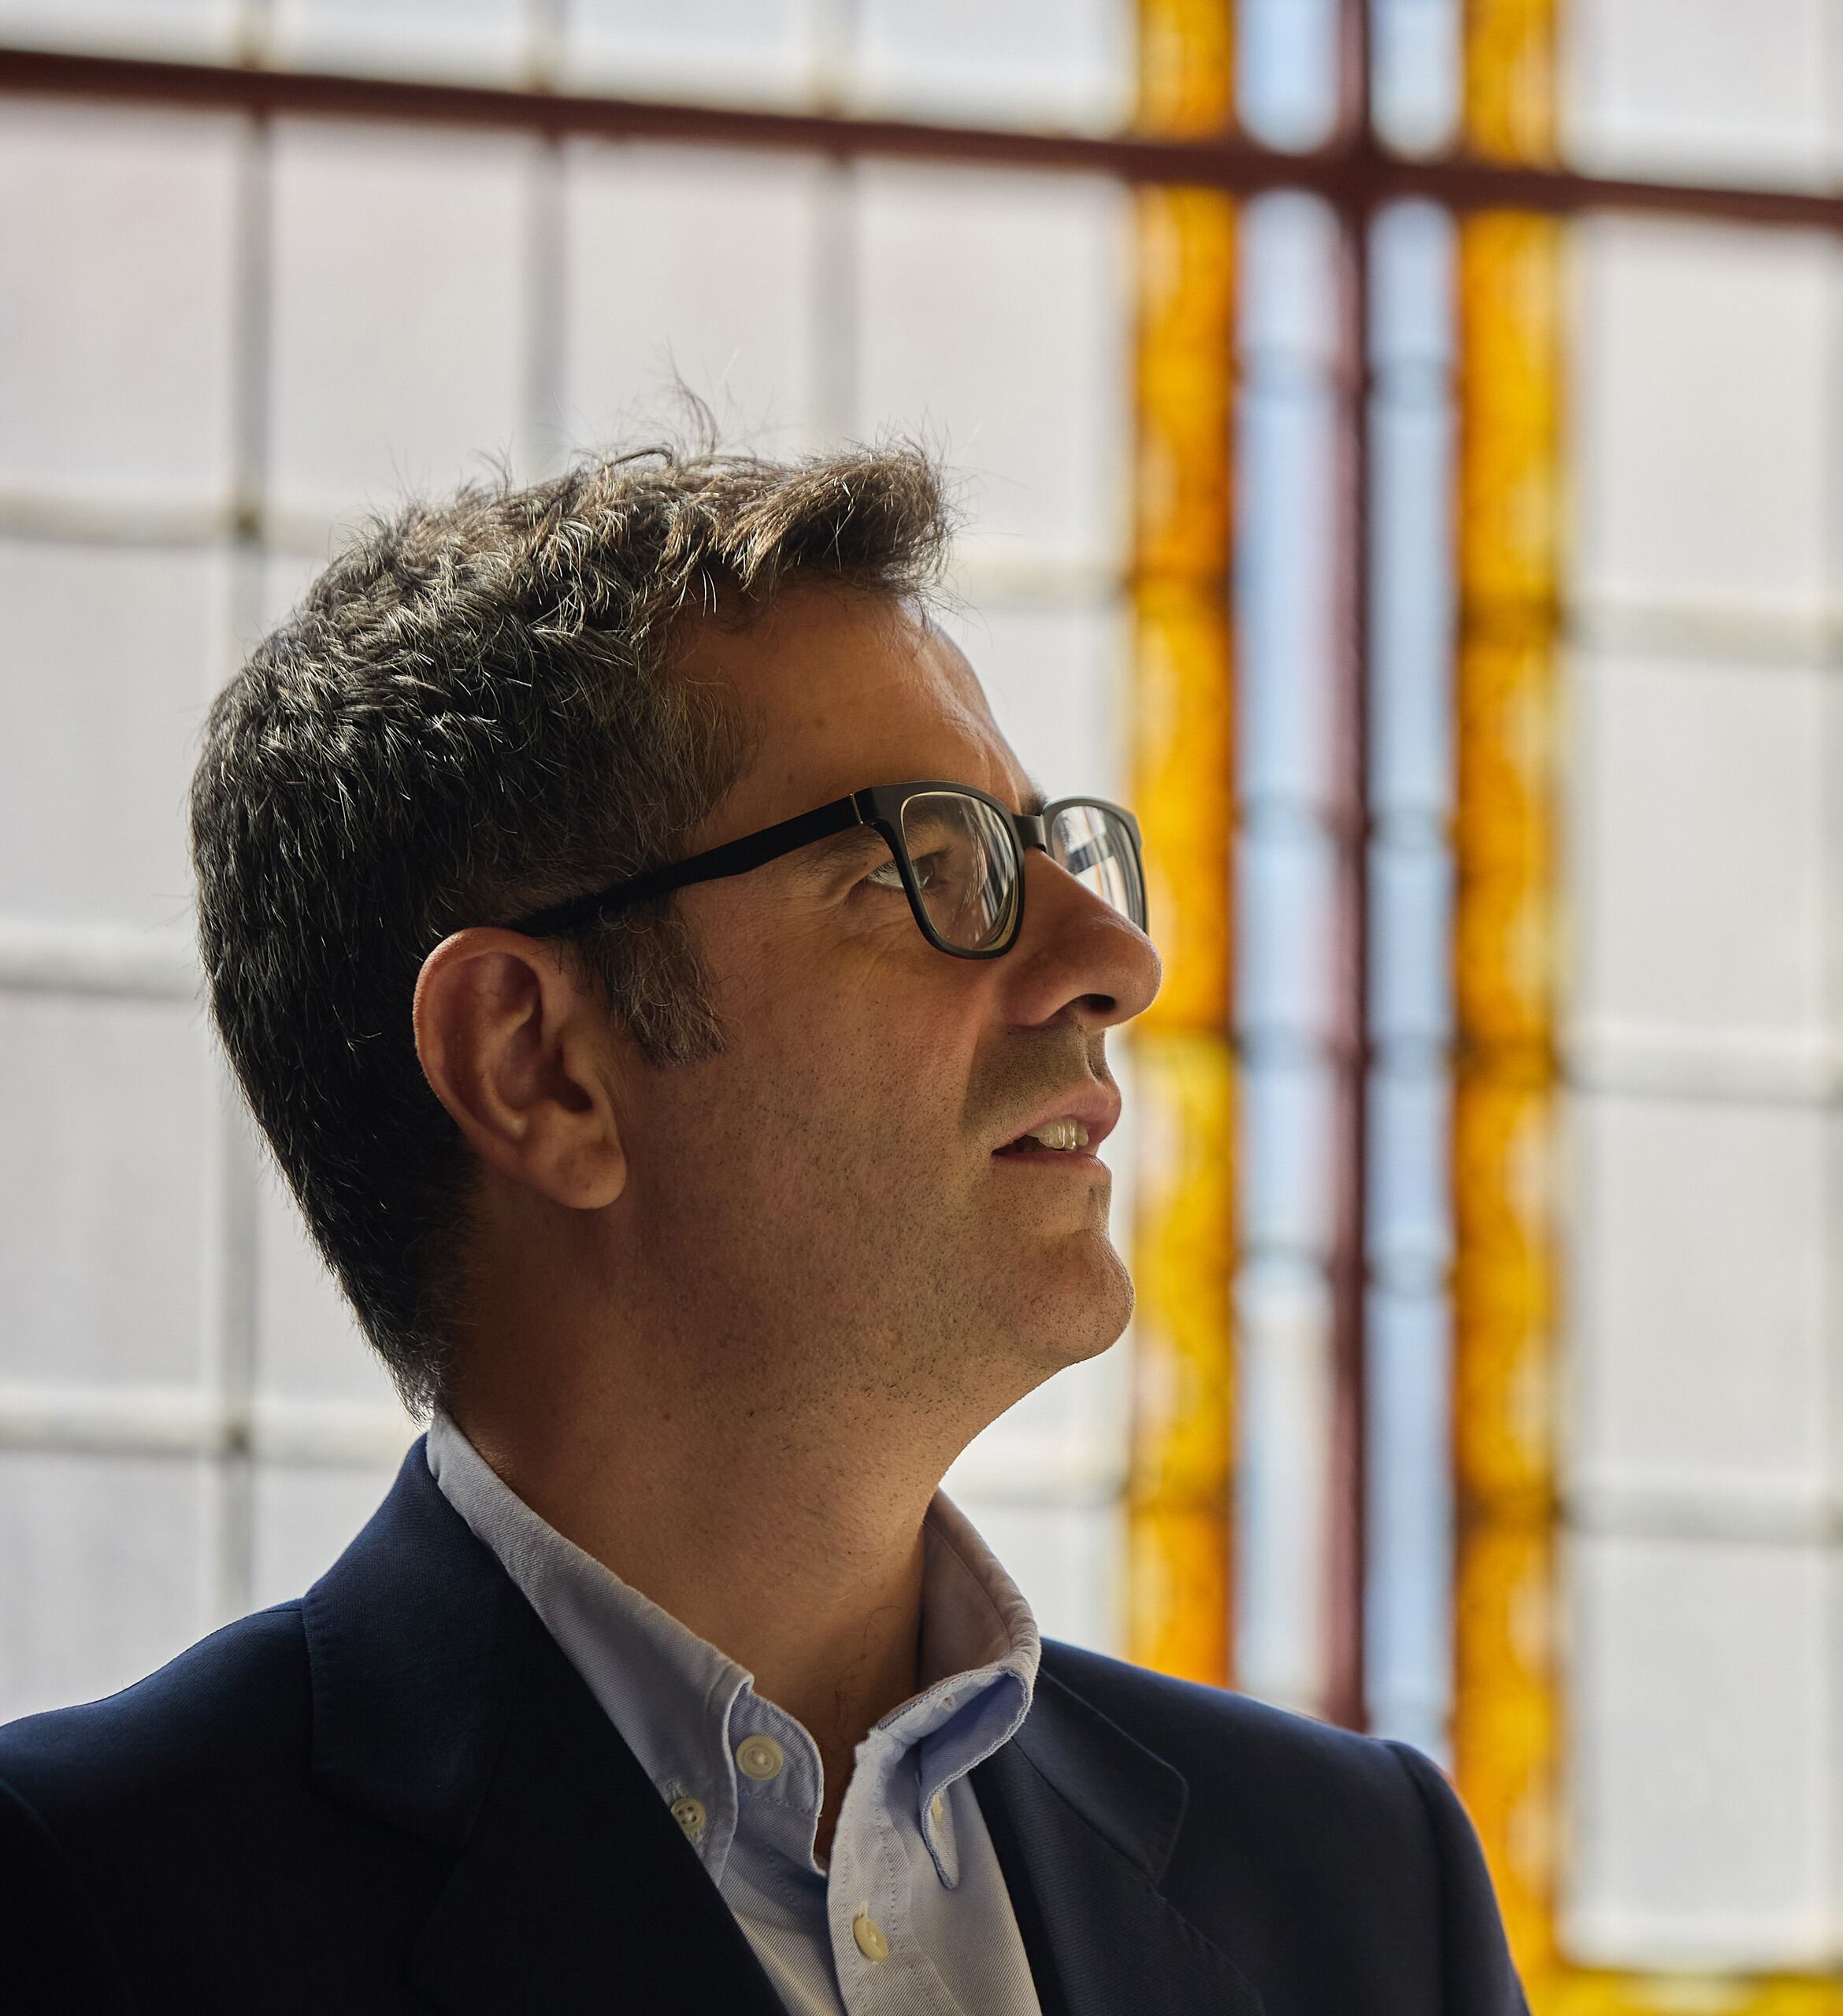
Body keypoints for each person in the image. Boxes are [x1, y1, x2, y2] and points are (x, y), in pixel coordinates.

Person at [0, 447, 1526, 2015]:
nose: (1116, 959)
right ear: (536, 1064)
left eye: (1049, 854)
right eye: (926, 867)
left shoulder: (1359, 1889)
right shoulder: (84, 1913)